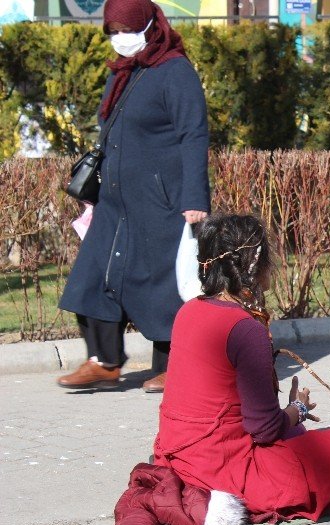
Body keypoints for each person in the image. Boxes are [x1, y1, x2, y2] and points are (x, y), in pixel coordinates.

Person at [152, 213, 330, 523]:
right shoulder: (244, 327)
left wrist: (291, 419)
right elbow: (263, 431)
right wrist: (298, 408)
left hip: (176, 459)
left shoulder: (188, 311)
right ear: (255, 264)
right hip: (222, 471)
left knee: (299, 434)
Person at [57, 0, 210, 394]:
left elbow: (193, 135)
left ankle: (174, 367)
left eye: (126, 29)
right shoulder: (122, 73)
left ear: (148, 25)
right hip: (115, 201)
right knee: (93, 275)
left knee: (163, 284)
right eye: (112, 31)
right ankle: (104, 362)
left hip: (161, 200)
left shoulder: (175, 71)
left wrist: (194, 198)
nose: (119, 38)